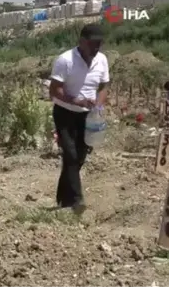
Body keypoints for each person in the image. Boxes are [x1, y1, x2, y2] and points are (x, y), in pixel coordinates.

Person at [48, 24, 110, 213]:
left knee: (80, 156)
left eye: (99, 44)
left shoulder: (102, 60)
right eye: (93, 44)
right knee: (71, 154)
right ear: (82, 42)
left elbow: (104, 86)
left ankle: (63, 198)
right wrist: (76, 100)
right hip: (65, 113)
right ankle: (77, 200)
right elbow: (54, 90)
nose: (96, 48)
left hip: (88, 116)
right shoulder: (65, 60)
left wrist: (97, 105)